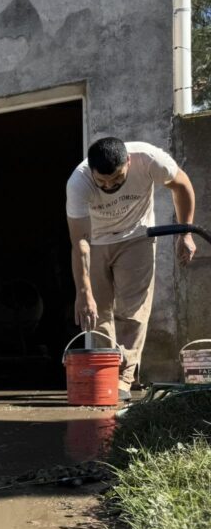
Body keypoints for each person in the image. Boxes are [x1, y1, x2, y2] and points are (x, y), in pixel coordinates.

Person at [66, 137, 197, 401]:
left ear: (128, 162)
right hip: (96, 241)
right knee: (98, 313)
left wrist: (185, 232)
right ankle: (107, 372)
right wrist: (83, 292)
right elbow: (79, 241)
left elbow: (181, 185)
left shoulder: (148, 158)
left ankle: (123, 379)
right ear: (91, 171)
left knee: (133, 310)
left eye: (116, 179)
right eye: (101, 182)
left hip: (136, 236)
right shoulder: (78, 182)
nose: (109, 186)